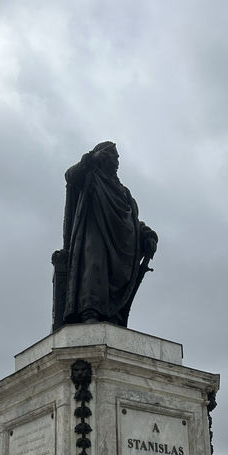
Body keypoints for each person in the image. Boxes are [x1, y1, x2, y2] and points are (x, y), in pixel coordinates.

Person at [52, 141, 158, 329]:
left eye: (118, 156)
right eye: (114, 155)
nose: (118, 159)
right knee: (94, 267)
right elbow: (70, 176)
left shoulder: (124, 192)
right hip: (95, 232)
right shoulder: (90, 178)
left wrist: (148, 236)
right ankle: (89, 311)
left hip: (122, 247)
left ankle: (113, 316)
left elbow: (132, 219)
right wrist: (90, 159)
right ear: (103, 156)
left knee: (109, 277)